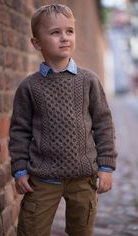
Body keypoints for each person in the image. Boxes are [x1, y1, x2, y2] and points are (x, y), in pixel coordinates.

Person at [9, 4, 117, 236]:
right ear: (37, 43)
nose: (64, 38)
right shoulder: (30, 86)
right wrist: (19, 170)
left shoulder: (89, 80)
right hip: (42, 178)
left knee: (82, 230)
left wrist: (106, 167)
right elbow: (19, 131)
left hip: (83, 178)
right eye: (55, 32)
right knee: (31, 230)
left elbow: (103, 124)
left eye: (69, 31)